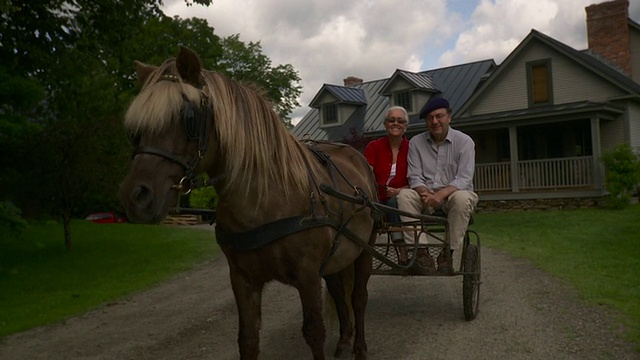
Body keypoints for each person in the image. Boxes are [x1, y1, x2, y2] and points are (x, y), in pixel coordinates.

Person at [397, 97, 478, 273]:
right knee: (404, 196)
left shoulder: (465, 142)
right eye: (430, 118)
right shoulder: (416, 143)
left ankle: (447, 253)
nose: (435, 121)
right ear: (426, 122)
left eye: (439, 116)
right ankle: (422, 252)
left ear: (449, 117)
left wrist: (440, 195)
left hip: (454, 194)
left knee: (463, 198)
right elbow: (414, 176)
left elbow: (464, 178)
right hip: (425, 194)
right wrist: (426, 193)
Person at [364, 106, 410, 263]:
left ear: (405, 126)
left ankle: (402, 250)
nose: (395, 123)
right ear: (385, 124)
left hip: (401, 196)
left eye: (400, 121)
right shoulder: (374, 146)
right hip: (376, 196)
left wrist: (399, 191)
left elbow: (418, 178)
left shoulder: (413, 148)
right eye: (391, 120)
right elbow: (366, 175)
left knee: (392, 202)